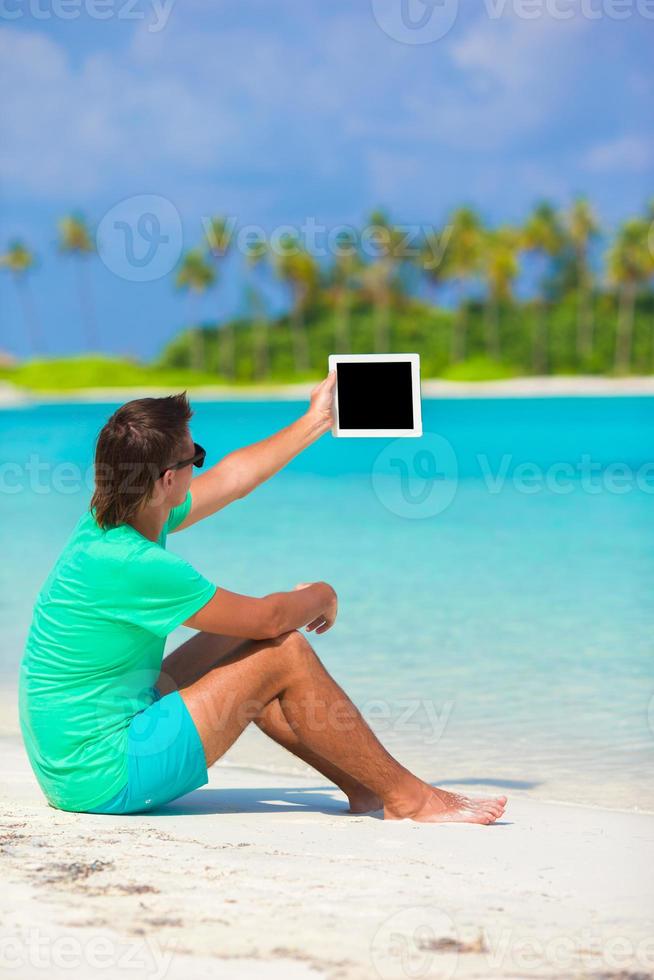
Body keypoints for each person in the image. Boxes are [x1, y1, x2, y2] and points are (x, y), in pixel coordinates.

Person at [19, 372, 506, 823]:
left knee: (243, 642)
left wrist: (317, 418)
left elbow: (234, 480)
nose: (200, 468)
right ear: (168, 480)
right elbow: (271, 619)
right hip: (105, 772)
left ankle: (365, 788)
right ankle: (411, 799)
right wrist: (321, 595)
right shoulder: (137, 564)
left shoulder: (111, 519)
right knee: (284, 650)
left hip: (74, 761)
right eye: (195, 459)